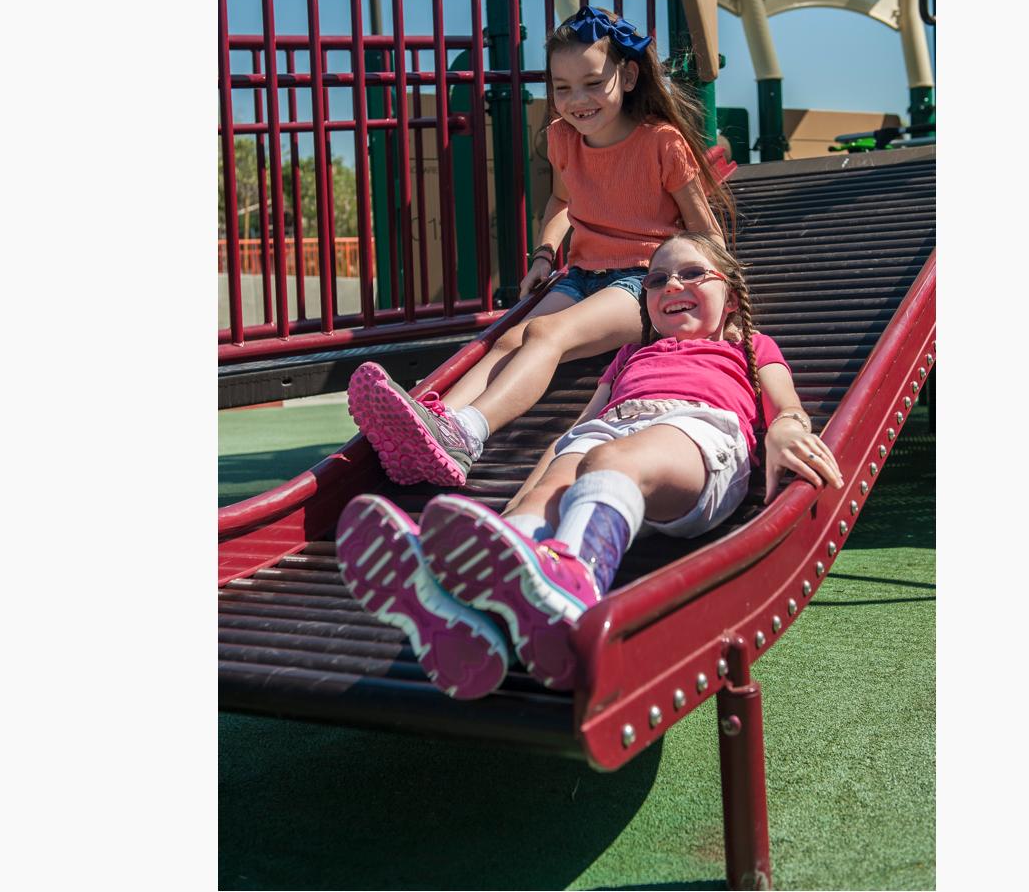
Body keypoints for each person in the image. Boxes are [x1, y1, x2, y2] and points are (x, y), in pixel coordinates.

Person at [334, 232, 844, 700]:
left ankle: (573, 588)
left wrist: (786, 430)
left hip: (699, 433)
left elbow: (785, 402)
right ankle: (471, 618)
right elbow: (581, 427)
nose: (672, 285)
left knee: (610, 459)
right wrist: (530, 493)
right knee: (555, 484)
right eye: (658, 279)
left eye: (692, 274)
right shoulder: (629, 353)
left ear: (730, 296)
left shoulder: (746, 345)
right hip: (612, 430)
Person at [346, 5, 736, 488]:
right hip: (581, 273)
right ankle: (432, 423)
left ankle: (467, 433)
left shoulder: (662, 143)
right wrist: (544, 254)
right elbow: (560, 199)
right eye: (562, 88)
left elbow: (705, 231)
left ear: (629, 75)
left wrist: (716, 297)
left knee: (545, 335)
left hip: (642, 279)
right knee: (506, 338)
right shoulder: (562, 139)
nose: (578, 100)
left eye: (594, 83)